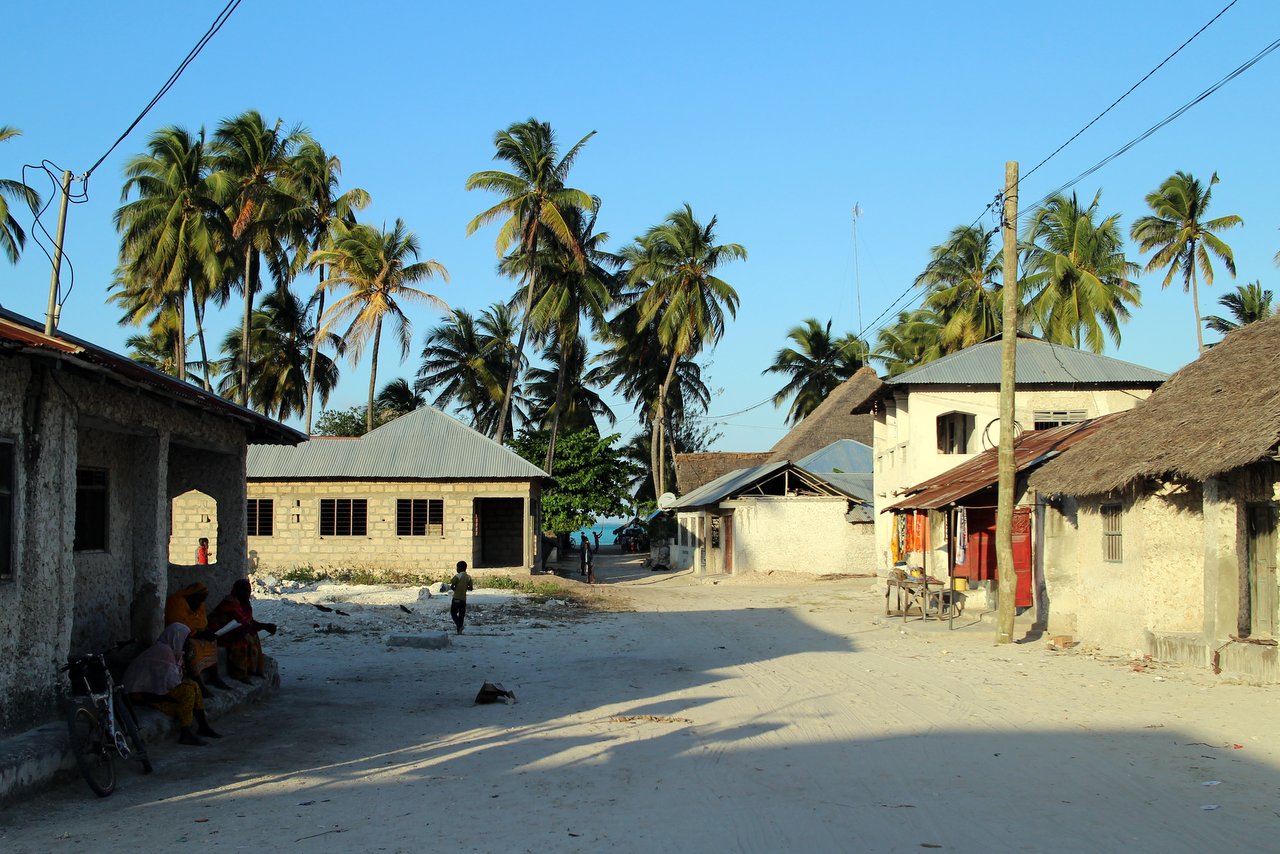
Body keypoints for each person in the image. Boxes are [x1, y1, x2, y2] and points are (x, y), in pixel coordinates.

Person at [123, 624, 221, 745]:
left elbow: (171, 679)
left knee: (193, 686)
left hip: (153, 690)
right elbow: (169, 683)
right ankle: (186, 733)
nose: (188, 642)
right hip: (140, 693)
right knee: (188, 690)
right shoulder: (163, 651)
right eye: (186, 639)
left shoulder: (171, 650)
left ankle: (203, 726)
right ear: (177, 637)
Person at [164, 582, 230, 692]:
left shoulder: (199, 605)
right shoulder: (176, 603)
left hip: (195, 634)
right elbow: (179, 627)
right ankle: (197, 680)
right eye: (198, 600)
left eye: (201, 601)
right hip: (178, 637)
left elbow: (202, 623)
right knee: (191, 647)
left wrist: (205, 632)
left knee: (211, 642)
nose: (199, 604)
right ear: (190, 596)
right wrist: (199, 633)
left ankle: (214, 676)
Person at [208, 579, 277, 683]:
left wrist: (265, 626)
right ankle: (239, 672)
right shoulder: (230, 604)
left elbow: (249, 621)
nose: (247, 594)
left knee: (252, 635)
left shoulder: (245, 603)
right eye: (245, 591)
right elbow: (242, 622)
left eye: (249, 591)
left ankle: (253, 669)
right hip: (220, 633)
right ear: (238, 591)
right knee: (242, 638)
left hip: (236, 630)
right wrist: (264, 626)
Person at [449, 560, 473, 635]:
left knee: (453, 613)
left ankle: (459, 625)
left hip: (456, 598)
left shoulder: (457, 576)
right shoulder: (469, 577)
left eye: (457, 567)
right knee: (461, 615)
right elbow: (471, 588)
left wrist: (454, 588)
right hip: (463, 599)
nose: (456, 569)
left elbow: (452, 585)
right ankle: (459, 630)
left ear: (459, 568)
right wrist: (465, 587)